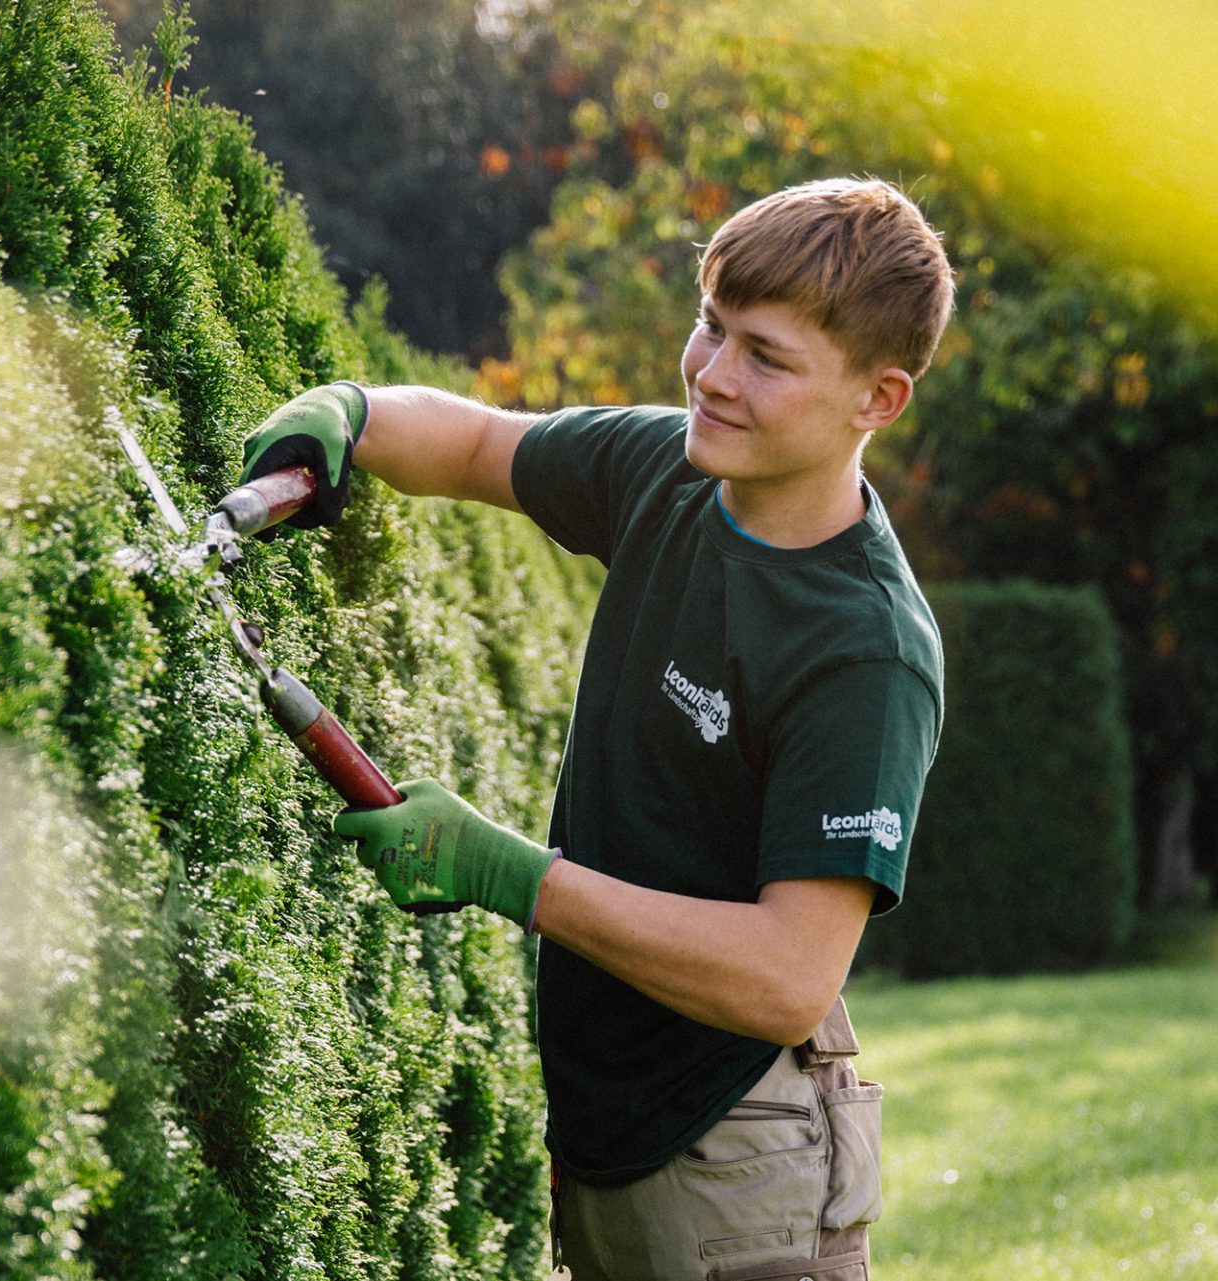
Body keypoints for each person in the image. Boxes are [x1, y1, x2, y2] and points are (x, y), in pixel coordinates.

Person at [238, 177, 954, 1281]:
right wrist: (351, 414)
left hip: (735, 1161)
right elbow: (479, 446)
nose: (712, 375)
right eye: (711, 327)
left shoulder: (865, 650)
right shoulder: (665, 470)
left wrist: (513, 874)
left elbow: (787, 979)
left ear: (879, 398)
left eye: (765, 357)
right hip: (605, 1129)